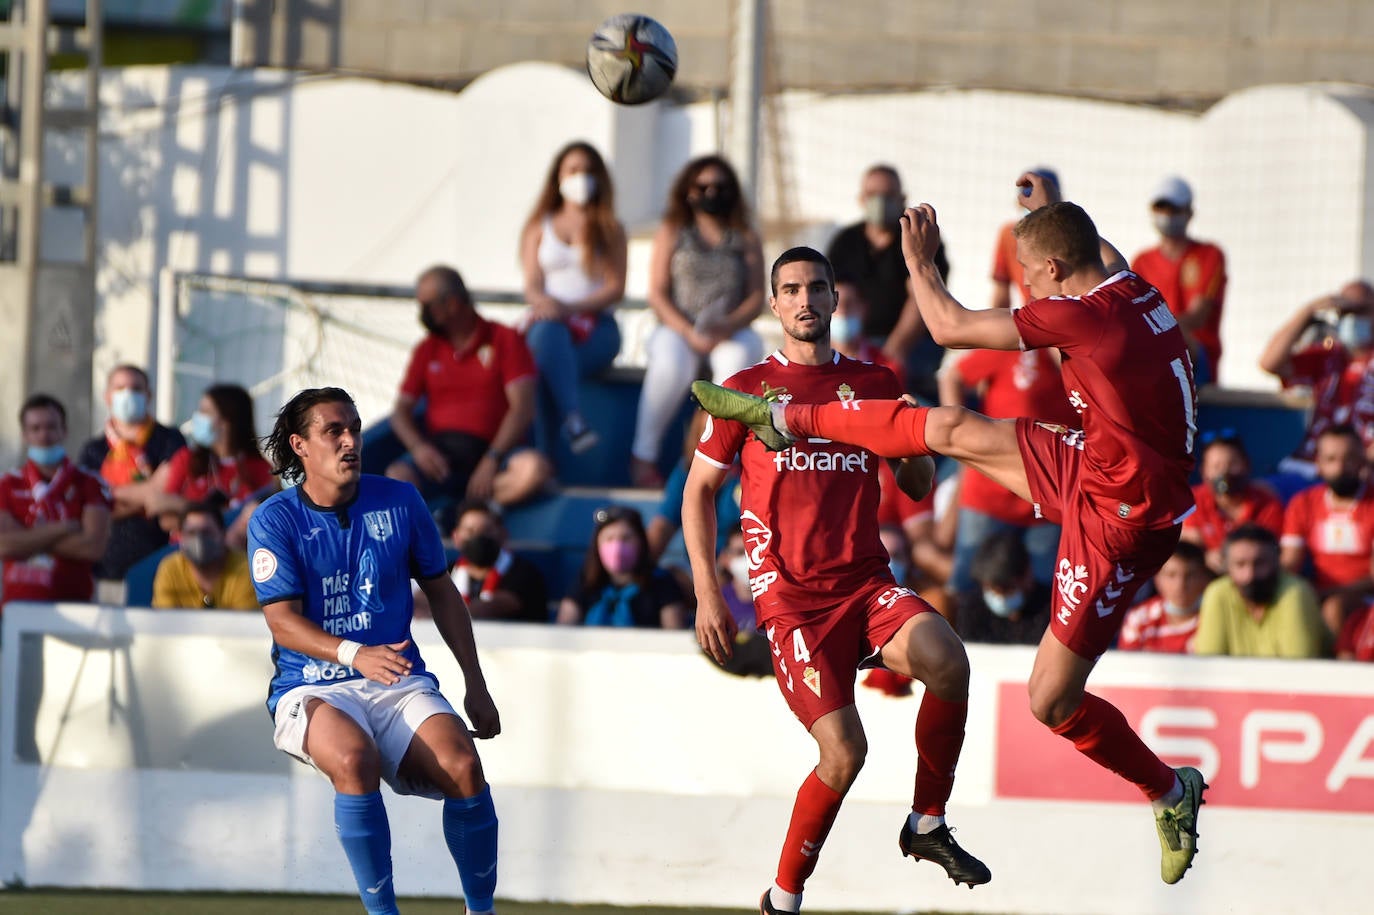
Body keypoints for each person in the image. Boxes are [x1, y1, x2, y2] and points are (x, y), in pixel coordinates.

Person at [692, 177, 1208, 885]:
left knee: (1049, 698)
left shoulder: (1084, 317)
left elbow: (948, 327)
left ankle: (1167, 788)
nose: (1026, 286)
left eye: (1030, 274)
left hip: (1121, 520)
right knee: (954, 425)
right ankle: (789, 419)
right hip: (1100, 467)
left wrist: (921, 263)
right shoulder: (1132, 288)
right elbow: (1090, 247)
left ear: (1056, 271)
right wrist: (1042, 215)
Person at [686, 246, 989, 915]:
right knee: (845, 751)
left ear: (833, 299)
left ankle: (928, 823)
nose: (804, 300)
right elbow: (698, 490)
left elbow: (914, 483)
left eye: (816, 287)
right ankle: (783, 898)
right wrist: (709, 591)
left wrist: (911, 440)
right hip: (792, 600)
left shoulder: (876, 382)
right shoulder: (747, 389)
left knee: (948, 660)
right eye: (790, 289)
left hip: (865, 581)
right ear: (774, 303)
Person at [247, 386, 501, 915]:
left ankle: (481, 911)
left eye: (354, 428)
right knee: (354, 760)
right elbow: (282, 623)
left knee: (464, 767)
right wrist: (351, 653)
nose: (349, 441)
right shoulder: (274, 519)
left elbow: (443, 592)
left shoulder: (401, 500)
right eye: (332, 431)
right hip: (312, 684)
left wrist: (475, 685)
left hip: (397, 678)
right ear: (300, 445)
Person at [630, 155, 765, 488]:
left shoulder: (745, 236)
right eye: (703, 186)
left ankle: (717, 455)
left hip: (730, 328)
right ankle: (642, 456)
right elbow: (658, 293)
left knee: (736, 362)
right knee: (672, 366)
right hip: (678, 327)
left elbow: (757, 295)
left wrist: (728, 325)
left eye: (720, 186)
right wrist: (688, 331)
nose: (711, 192)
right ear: (688, 191)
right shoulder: (673, 231)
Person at [388, 264, 551, 508]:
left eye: (427, 306)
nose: (422, 313)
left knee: (533, 469)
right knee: (397, 478)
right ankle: (455, 515)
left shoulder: (505, 339)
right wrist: (419, 448)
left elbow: (522, 408)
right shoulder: (426, 349)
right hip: (442, 456)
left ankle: (465, 511)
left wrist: (492, 459)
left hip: (498, 454)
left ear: (452, 303)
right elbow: (400, 412)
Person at [938, 310, 1075, 596]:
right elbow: (952, 377)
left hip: (1049, 494)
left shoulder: (1084, 356)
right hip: (990, 489)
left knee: (1048, 594)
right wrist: (960, 438)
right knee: (967, 587)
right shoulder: (1015, 343)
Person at [519, 141, 627, 456]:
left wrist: (569, 308)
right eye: (573, 170)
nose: (581, 178)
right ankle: (572, 422)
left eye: (588, 171)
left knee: (546, 357)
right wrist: (548, 306)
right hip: (550, 325)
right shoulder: (539, 227)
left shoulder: (610, 228)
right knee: (546, 341)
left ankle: (547, 452)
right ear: (558, 177)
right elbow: (532, 285)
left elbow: (615, 287)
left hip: (597, 329)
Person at [827, 164, 950, 404]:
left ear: (902, 198)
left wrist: (894, 351)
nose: (880, 202)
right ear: (862, 199)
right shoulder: (845, 242)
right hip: (855, 340)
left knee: (908, 394)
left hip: (912, 344)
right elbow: (835, 293)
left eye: (887, 195)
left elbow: (921, 297)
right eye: (873, 195)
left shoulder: (918, 237)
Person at [1258, 280, 1374, 493]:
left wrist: (1360, 460)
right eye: (1344, 312)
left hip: (1357, 470)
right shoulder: (1328, 356)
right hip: (1309, 466)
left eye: (1360, 311)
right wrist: (1307, 313)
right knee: (1263, 495)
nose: (1352, 319)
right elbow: (1269, 362)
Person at [77, 364, 186, 588]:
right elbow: (87, 507)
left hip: (162, 564)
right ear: (107, 396)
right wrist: (151, 491)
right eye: (120, 388)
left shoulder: (170, 440)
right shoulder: (93, 450)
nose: (128, 394)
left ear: (149, 395)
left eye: (136, 388)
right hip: (106, 568)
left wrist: (110, 497)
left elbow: (170, 493)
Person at [0, 394, 111, 611]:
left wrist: (26, 538)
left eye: (51, 427)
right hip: (17, 612)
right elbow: (3, 545)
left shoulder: (89, 483)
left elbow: (92, 548)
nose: (44, 435)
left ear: (64, 430)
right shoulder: (7, 484)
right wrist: (64, 528)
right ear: (24, 435)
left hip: (75, 608)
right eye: (35, 428)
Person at [1279, 424, 1374, 639]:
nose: (1340, 467)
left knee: (1334, 608)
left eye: (1348, 458)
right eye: (1331, 459)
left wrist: (1327, 594)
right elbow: (1289, 562)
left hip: (1364, 599)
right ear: (1319, 464)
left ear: (1361, 461)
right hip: (1317, 593)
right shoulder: (1303, 504)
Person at [1130, 176, 1227, 385]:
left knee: (1180, 338)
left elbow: (1197, 316)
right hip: (1156, 352)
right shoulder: (1142, 261)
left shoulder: (1209, 255)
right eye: (1161, 209)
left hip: (1198, 358)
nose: (1166, 216)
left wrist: (1154, 334)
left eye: (1173, 210)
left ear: (1189, 213)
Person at [147, 383, 275, 532]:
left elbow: (262, 521)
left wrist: (178, 504)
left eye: (205, 411)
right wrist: (221, 515)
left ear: (227, 421)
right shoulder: (187, 459)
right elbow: (165, 518)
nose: (197, 417)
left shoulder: (260, 468)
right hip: (183, 552)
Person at [1194, 525, 1326, 658]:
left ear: (1277, 561)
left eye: (1260, 563)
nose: (1250, 575)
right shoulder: (1217, 593)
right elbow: (1209, 663)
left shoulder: (1296, 592)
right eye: (1240, 564)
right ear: (1227, 566)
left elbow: (1298, 666)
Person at [412, 499, 548, 623]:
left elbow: (492, 608)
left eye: (486, 530)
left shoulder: (523, 572)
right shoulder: (447, 571)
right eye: (470, 531)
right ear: (456, 537)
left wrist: (437, 610)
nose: (478, 537)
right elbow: (420, 601)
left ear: (503, 534)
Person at [555, 505, 688, 629]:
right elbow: (564, 629)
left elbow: (673, 634)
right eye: (609, 539)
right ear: (597, 545)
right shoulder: (585, 581)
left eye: (626, 538)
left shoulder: (662, 582)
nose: (617, 547)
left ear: (641, 542)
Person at [1181, 431, 1284, 574]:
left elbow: (1274, 554)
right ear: (1204, 472)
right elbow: (1185, 549)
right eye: (1216, 466)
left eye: (1232, 464)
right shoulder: (1190, 501)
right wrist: (1203, 556)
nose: (1224, 473)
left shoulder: (1267, 504)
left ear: (1247, 465)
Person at [150, 501, 257, 610]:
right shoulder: (170, 570)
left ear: (222, 534)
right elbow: (166, 621)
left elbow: (242, 624)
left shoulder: (245, 568)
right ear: (180, 538)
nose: (199, 540)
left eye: (206, 532)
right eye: (191, 533)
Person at [955, 529, 1052, 646]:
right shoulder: (972, 609)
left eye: (1006, 589)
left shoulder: (1050, 611)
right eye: (991, 589)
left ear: (1027, 575)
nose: (999, 597)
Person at [1117, 541, 1213, 653]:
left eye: (1190, 575)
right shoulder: (1139, 618)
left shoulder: (1217, 616)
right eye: (1171, 575)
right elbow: (1126, 666)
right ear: (1157, 579)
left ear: (1204, 578)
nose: (1180, 585)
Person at [989, 167, 1059, 310]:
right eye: (1028, 201)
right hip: (1031, 316)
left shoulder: (1067, 234)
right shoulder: (1009, 235)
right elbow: (1001, 291)